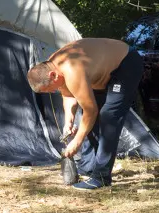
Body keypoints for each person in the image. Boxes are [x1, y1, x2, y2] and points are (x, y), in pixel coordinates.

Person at [27, 38, 144, 190]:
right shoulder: (53, 65)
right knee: (90, 120)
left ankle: (101, 177)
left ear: (53, 76)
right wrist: (68, 121)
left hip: (125, 64)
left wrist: (77, 141)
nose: (51, 92)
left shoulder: (71, 70)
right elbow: (68, 95)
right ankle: (88, 168)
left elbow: (91, 110)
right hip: (101, 74)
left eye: (49, 89)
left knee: (109, 116)